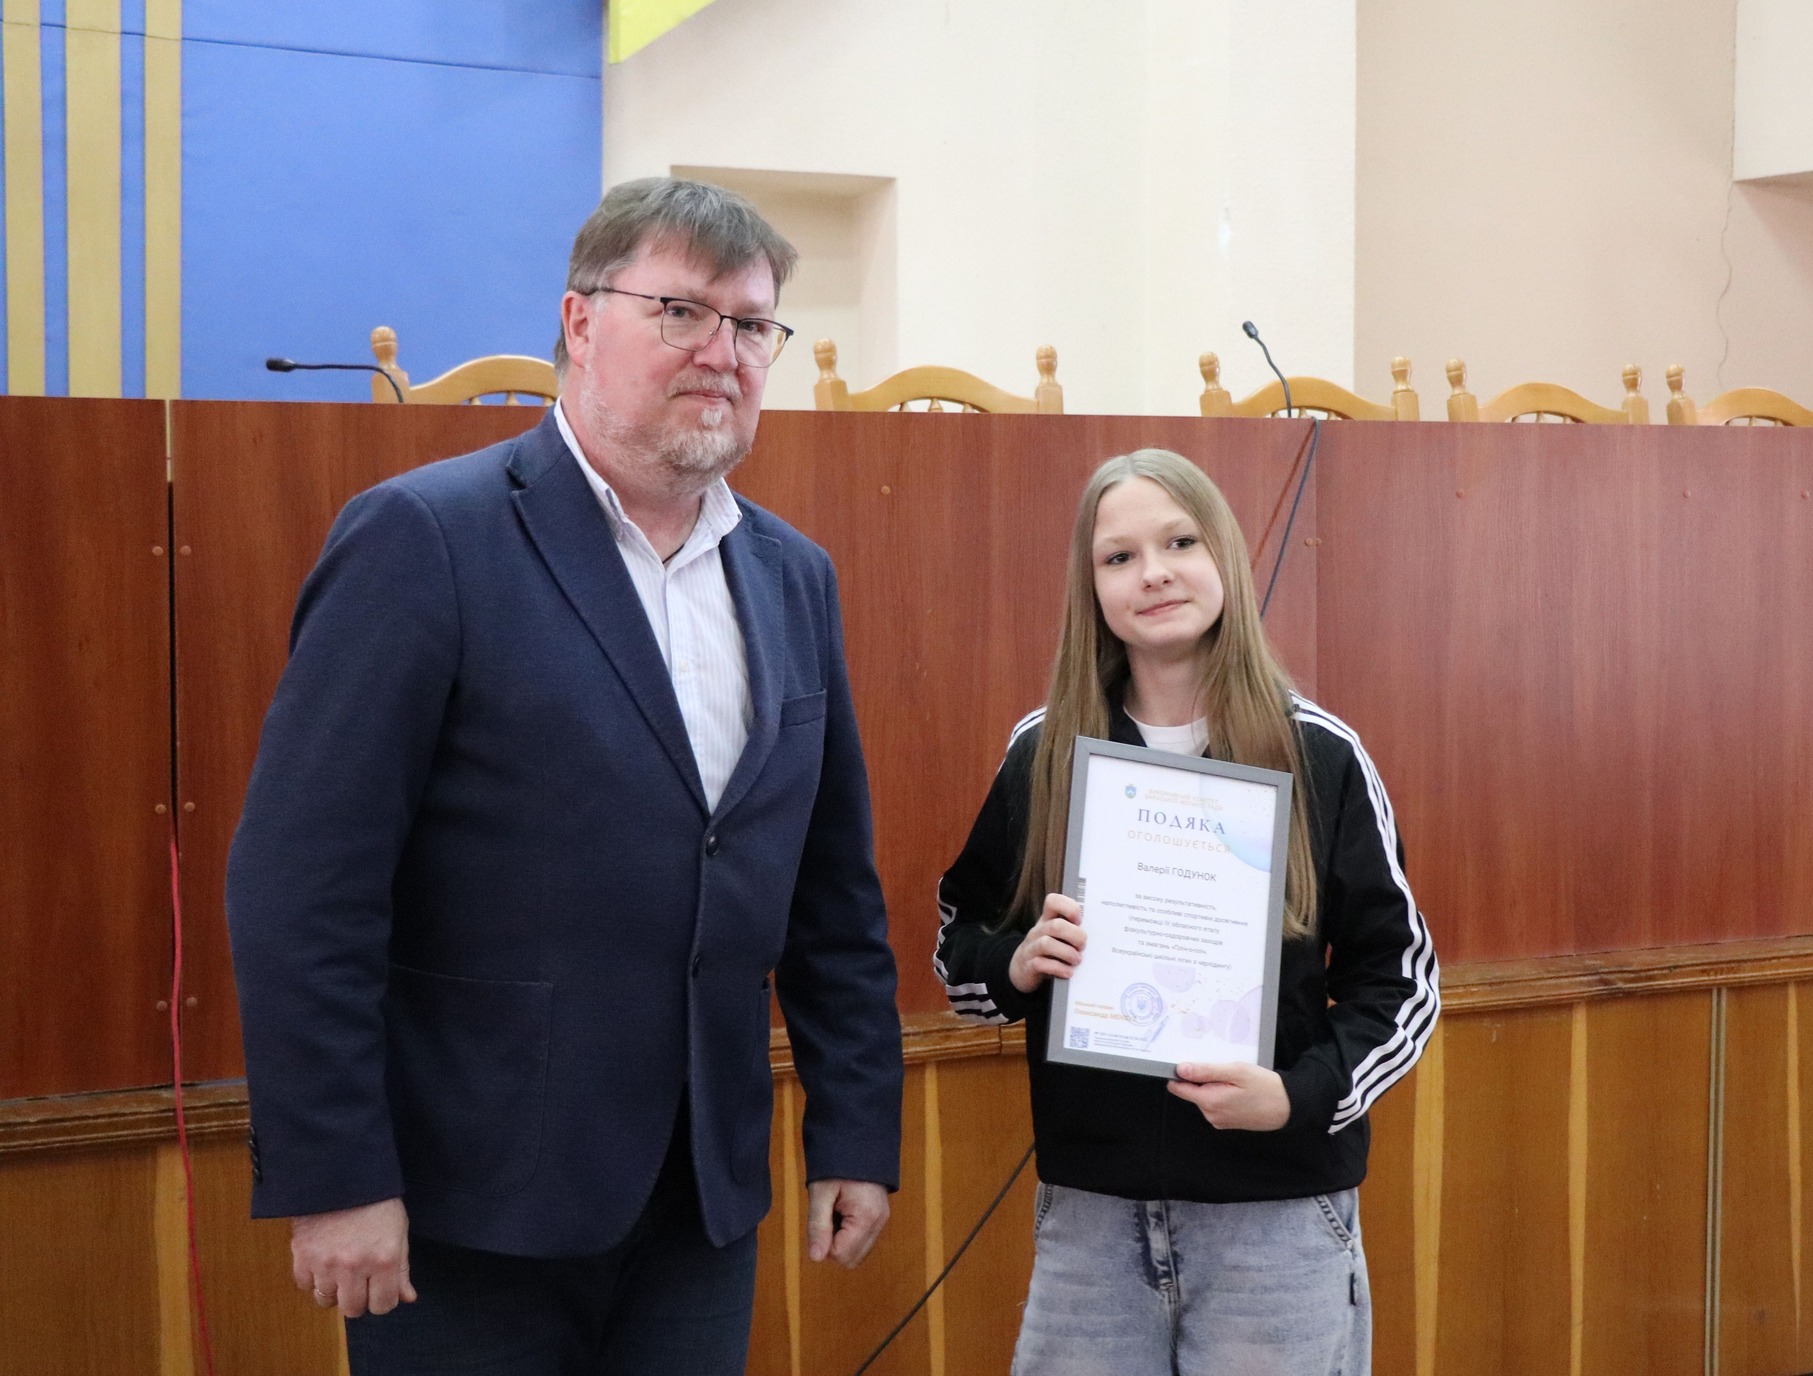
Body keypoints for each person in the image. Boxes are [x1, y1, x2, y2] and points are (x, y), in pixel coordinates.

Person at [226, 178, 903, 1375]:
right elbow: (303, 888)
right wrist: (335, 1172)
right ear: (581, 322)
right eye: (680, 311)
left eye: (752, 324)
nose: (722, 352)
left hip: (699, 1202)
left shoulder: (793, 575)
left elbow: (829, 891)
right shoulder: (425, 538)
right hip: (468, 1201)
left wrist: (853, 1126)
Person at [933, 448, 1438, 1375]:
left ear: (1225, 558)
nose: (1154, 572)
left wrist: (1297, 1098)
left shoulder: (1320, 754)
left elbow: (1401, 985)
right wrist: (1016, 963)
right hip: (1091, 1221)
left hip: (1277, 1220)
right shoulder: (1044, 754)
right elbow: (957, 945)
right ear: (1091, 589)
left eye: (1180, 542)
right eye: (1118, 557)